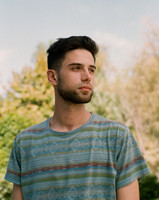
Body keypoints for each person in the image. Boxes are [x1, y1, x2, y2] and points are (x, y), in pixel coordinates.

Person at [5, 36, 150, 200]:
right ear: (53, 77)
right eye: (76, 68)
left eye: (92, 70)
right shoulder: (24, 143)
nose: (87, 76)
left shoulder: (117, 136)